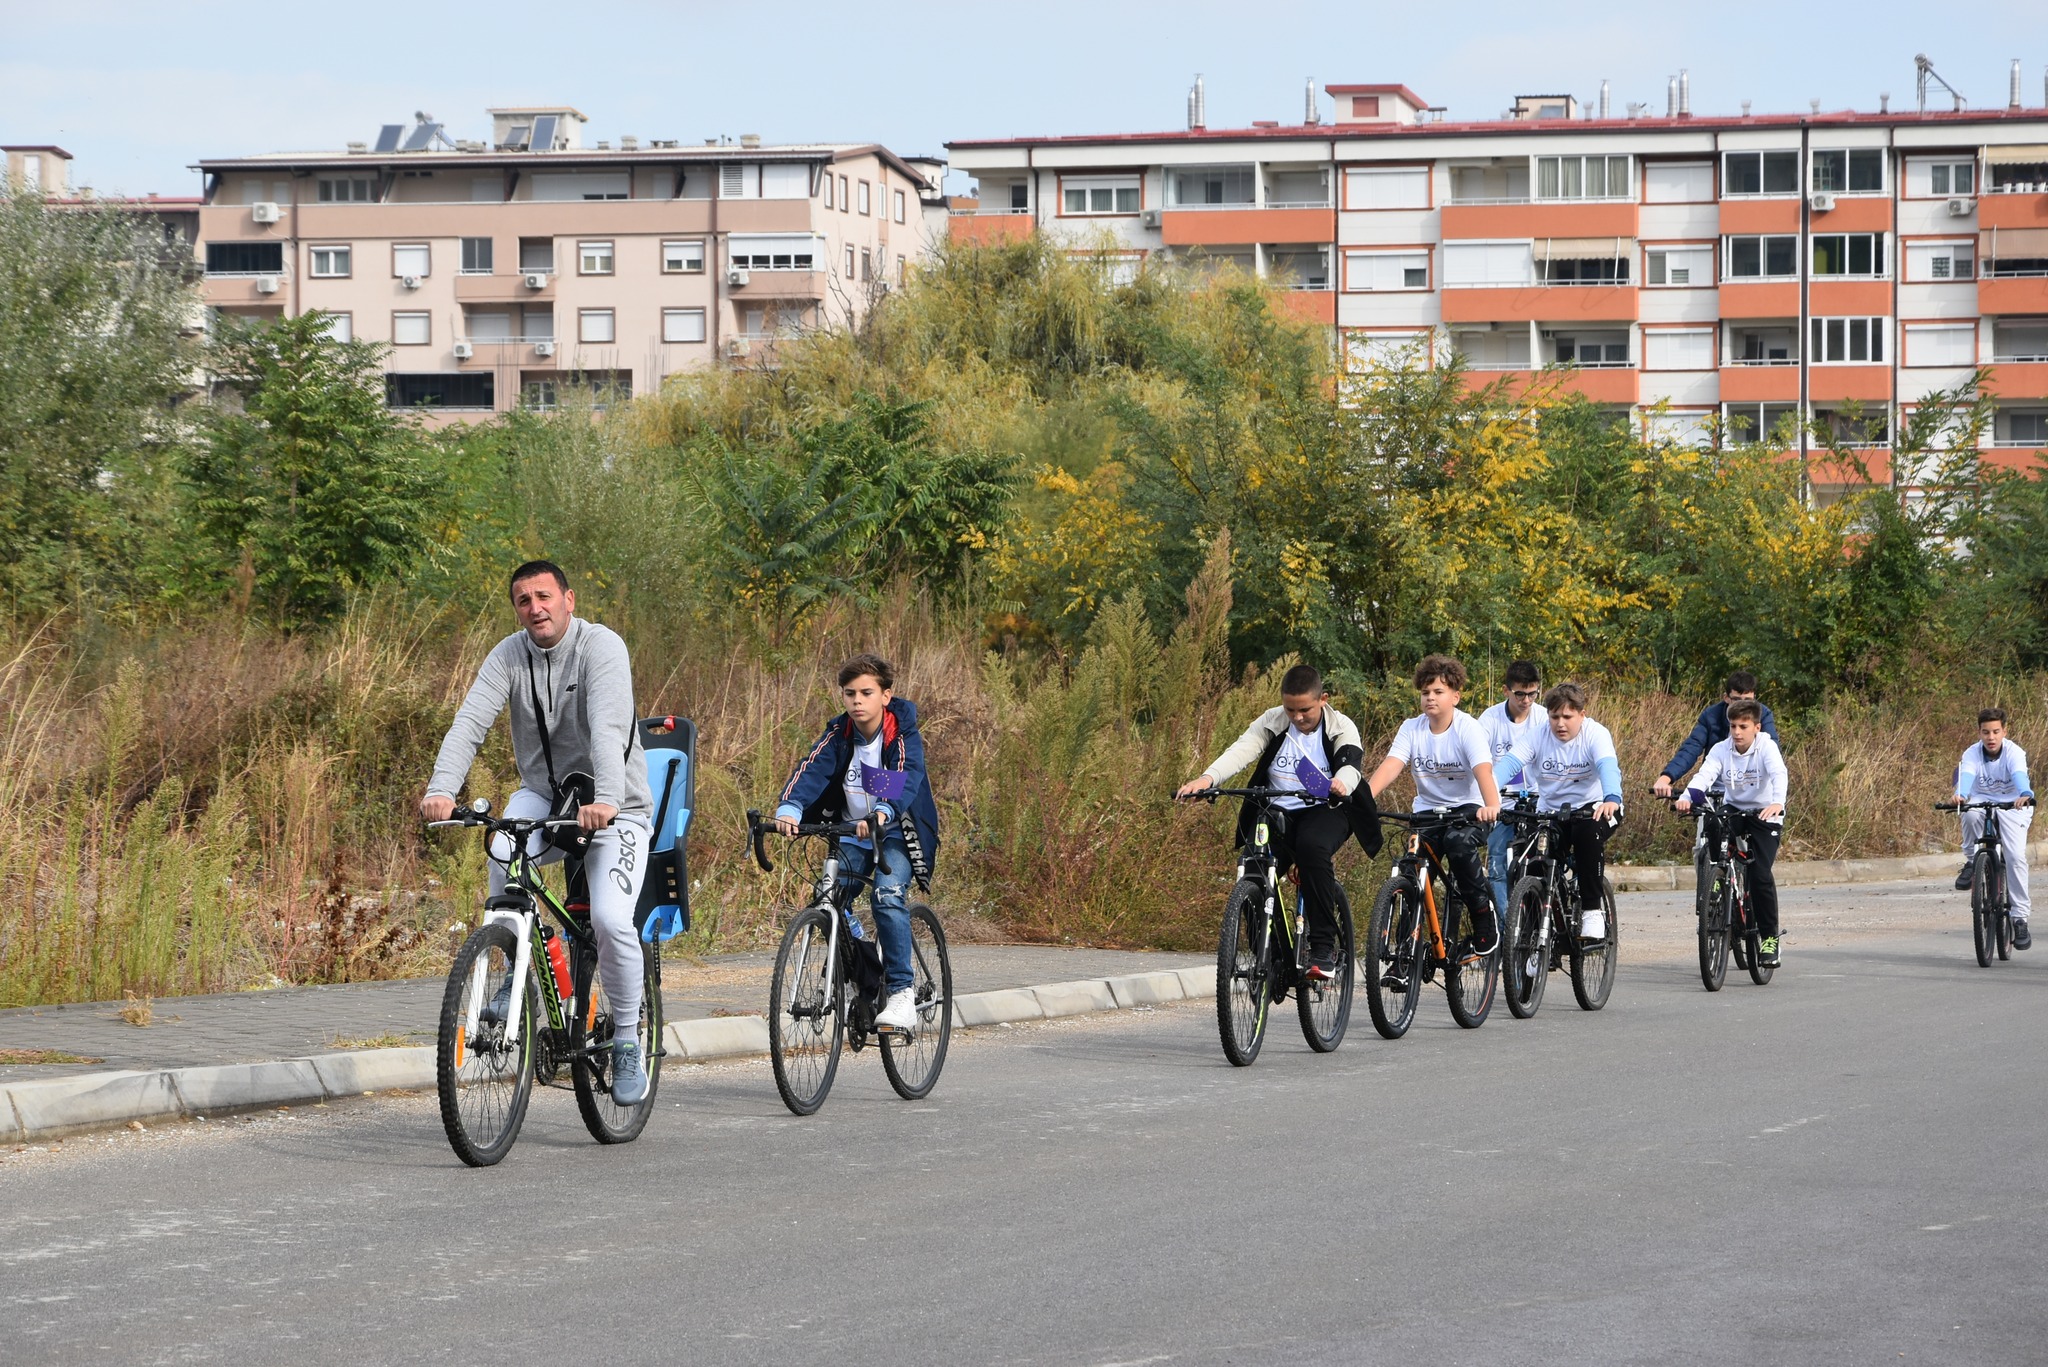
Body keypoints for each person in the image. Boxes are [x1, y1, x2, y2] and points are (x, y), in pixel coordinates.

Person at [423, 560, 654, 1104]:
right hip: (544, 797)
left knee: (609, 918)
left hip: (614, 805)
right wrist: (441, 788)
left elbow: (609, 724)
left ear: (568, 599)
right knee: (502, 848)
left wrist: (606, 800)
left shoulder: (602, 647)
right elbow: (469, 721)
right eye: (523, 600)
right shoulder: (508, 655)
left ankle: (625, 1040)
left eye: (544, 596)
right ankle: (514, 965)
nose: (535, 608)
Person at [1177, 663, 1381, 981]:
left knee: (1312, 848)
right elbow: (1242, 749)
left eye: (1305, 710)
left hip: (1328, 807)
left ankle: (1323, 949)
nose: (1297, 718)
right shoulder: (1273, 720)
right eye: (1290, 709)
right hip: (1277, 810)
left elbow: (1351, 764)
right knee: (1252, 863)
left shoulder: (1341, 726)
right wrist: (1207, 779)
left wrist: (1340, 782)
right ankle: (1267, 952)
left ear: (1323, 699)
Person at [774, 654, 940, 1033]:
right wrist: (790, 807)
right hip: (854, 834)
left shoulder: (901, 732)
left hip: (897, 834)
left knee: (885, 895)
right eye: (849, 694)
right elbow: (812, 767)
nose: (856, 701)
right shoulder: (840, 734)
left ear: (885, 695)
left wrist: (881, 812)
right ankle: (862, 961)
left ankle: (901, 992)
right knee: (827, 898)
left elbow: (904, 774)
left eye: (866, 692)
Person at [1365, 655, 1503, 958]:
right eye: (1426, 692)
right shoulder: (1411, 728)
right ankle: (1406, 951)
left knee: (1459, 845)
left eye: (1438, 692)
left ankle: (1482, 915)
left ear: (1455, 696)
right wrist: (1365, 797)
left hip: (1469, 810)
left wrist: (1492, 805)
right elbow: (1392, 765)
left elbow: (1483, 770)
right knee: (1410, 869)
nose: (1430, 698)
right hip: (1427, 812)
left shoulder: (1468, 728)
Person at [1489, 682, 1623, 947]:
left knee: (1587, 836)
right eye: (1554, 717)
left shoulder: (1596, 734)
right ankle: (1537, 932)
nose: (1560, 724)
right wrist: (1487, 797)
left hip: (1593, 809)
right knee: (1533, 859)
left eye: (1567, 717)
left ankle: (1592, 911)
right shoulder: (1538, 735)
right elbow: (1508, 766)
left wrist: (1611, 798)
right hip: (1551, 814)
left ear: (1581, 715)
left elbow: (1608, 767)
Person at [1673, 699, 1787, 966]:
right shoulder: (1721, 749)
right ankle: (1721, 876)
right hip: (1735, 808)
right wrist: (1689, 797)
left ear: (1756, 727)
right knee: (1712, 823)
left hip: (1764, 812)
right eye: (1733, 726)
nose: (1737, 732)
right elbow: (1705, 775)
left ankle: (1770, 939)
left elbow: (1779, 774)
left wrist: (1777, 802)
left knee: (1760, 874)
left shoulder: (1767, 747)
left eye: (1743, 726)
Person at [1951, 707, 2035, 949]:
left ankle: (2019, 919)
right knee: (1968, 814)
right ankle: (1971, 862)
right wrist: (1960, 795)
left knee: (2016, 857)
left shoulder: (2014, 753)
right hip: (1981, 797)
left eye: (1996, 732)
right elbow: (1966, 777)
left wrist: (2025, 794)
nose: (1991, 737)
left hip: (2013, 802)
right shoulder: (1971, 753)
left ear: (2004, 732)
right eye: (1986, 732)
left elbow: (2020, 777)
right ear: (1979, 732)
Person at [1479, 660, 1549, 931]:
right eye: (1520, 694)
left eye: (1533, 693)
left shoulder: (1543, 717)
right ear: (1506, 690)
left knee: (1544, 858)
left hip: (1538, 800)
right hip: (1503, 802)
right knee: (1497, 859)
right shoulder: (1490, 719)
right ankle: (1508, 929)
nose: (1527, 700)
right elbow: (1480, 761)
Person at [1652, 670, 1779, 800]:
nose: (1743, 705)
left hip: (1751, 788)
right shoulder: (1711, 717)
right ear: (1726, 698)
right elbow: (1691, 748)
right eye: (1736, 700)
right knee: (1697, 808)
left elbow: (1773, 757)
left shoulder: (1762, 714)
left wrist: (1777, 799)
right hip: (1714, 788)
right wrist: (1666, 778)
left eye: (1748, 700)